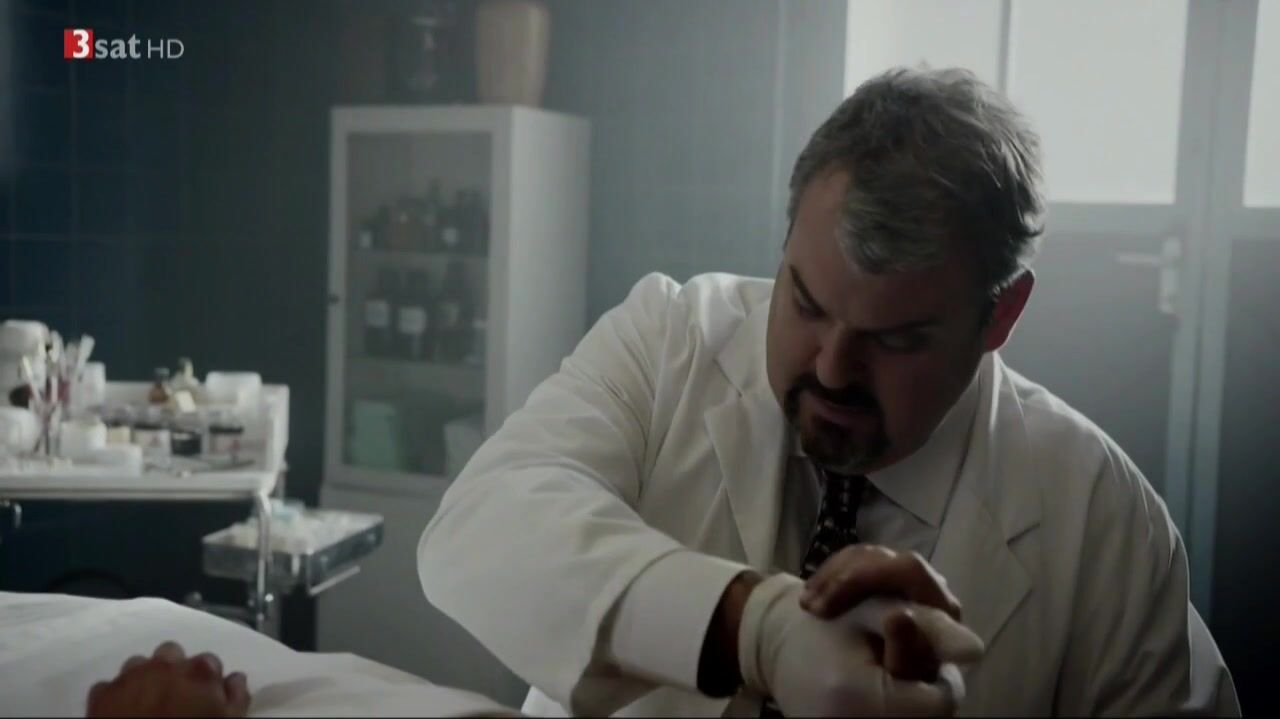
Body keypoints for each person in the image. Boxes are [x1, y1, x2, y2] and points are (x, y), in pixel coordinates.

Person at [417, 66, 1240, 717]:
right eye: (807, 303)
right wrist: (755, 628)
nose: (835, 367)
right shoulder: (670, 338)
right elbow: (480, 527)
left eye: (897, 338)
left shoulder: (1103, 516)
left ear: (1001, 315)